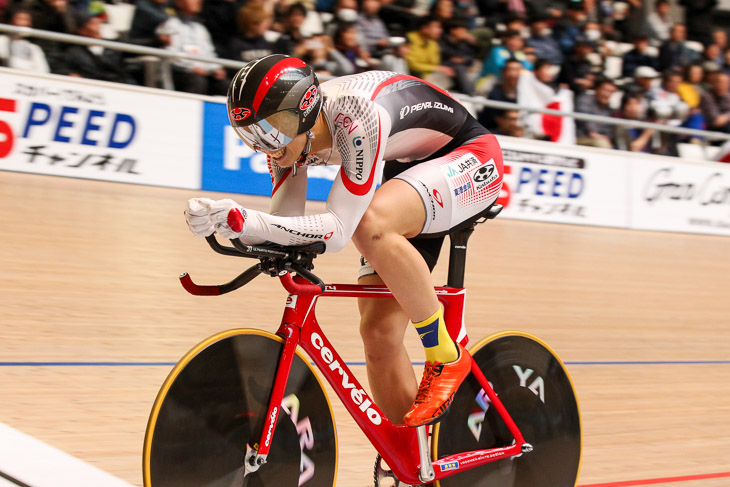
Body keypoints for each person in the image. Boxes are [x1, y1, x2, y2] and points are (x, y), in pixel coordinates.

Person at [184, 54, 504, 426]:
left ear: (302, 112)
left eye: (269, 132)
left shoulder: (355, 115)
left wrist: (246, 220)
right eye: (250, 136)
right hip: (411, 164)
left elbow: (339, 229)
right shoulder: (288, 141)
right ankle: (412, 460)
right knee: (378, 333)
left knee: (369, 223)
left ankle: (443, 354)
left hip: (469, 156)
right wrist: (230, 225)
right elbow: (286, 222)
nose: (265, 146)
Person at [0, 6, 50, 73]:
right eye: (20, 19)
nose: (22, 23)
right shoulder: (2, 41)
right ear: (10, 21)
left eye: (26, 19)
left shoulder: (34, 48)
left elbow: (44, 71)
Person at [575, 77, 617, 148]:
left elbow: (608, 129)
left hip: (600, 140)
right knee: (602, 144)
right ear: (597, 89)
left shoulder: (608, 109)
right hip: (581, 137)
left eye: (611, 92)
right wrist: (595, 135)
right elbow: (584, 121)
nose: (607, 94)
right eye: (605, 90)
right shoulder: (585, 99)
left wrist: (607, 137)